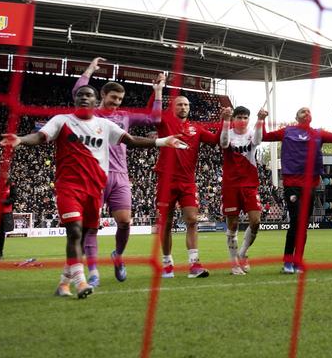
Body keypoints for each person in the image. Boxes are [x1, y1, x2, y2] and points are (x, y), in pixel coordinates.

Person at [0, 85, 186, 299]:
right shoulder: (62, 120)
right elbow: (41, 137)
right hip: (68, 186)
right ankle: (81, 282)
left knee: (82, 235)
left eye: (88, 95)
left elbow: (132, 141)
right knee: (76, 232)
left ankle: (63, 284)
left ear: (95, 99)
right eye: (80, 94)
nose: (84, 98)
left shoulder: (104, 125)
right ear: (76, 99)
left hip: (94, 188)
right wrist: (21, 139)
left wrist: (163, 141)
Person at [72, 57, 164, 285]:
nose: (116, 103)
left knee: (125, 221)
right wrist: (90, 69)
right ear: (102, 95)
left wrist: (159, 91)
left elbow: (155, 118)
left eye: (120, 99)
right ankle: (93, 272)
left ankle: (118, 256)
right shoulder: (90, 113)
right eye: (113, 98)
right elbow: (78, 91)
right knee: (91, 225)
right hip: (94, 175)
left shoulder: (124, 116)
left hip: (120, 176)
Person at [263, 102, 332, 274]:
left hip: (310, 184)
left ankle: (298, 261)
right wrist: (261, 119)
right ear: (296, 117)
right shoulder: (287, 131)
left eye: (308, 110)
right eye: (302, 111)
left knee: (303, 225)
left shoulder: (318, 133)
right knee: (296, 221)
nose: (306, 112)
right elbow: (263, 136)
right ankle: (288, 261)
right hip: (292, 185)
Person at [155, 95, 218, 279]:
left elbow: (215, 141)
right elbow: (154, 113)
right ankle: (167, 263)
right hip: (166, 181)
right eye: (180, 104)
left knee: (192, 219)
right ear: (172, 107)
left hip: (188, 181)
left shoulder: (196, 128)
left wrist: (226, 122)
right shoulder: (165, 122)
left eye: (186, 105)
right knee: (166, 223)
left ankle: (194, 264)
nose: (183, 107)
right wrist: (157, 90)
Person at [220, 105, 267, 275]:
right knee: (232, 224)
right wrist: (225, 121)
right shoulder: (228, 133)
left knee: (255, 221)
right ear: (233, 119)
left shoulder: (251, 134)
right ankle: (234, 264)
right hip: (231, 185)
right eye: (239, 117)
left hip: (249, 184)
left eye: (245, 117)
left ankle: (242, 253)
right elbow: (224, 143)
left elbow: (259, 141)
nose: (242, 120)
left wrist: (261, 119)